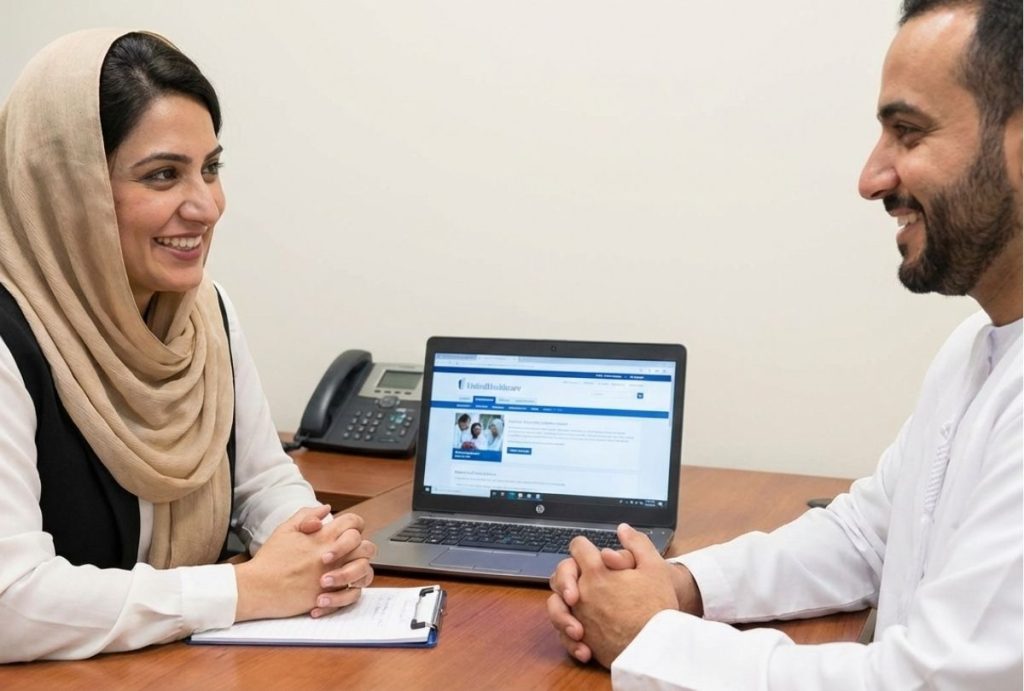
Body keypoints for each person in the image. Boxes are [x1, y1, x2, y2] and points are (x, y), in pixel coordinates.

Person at [547, 0, 1022, 688]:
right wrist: (678, 585)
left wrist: (651, 637)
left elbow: (925, 682)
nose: (872, 178)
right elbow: (866, 534)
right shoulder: (976, 348)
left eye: (908, 133)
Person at [0, 29, 376, 662]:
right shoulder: (10, 340)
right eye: (163, 175)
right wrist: (243, 589)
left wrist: (316, 546)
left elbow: (261, 479)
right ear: (69, 189)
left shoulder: (207, 314)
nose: (206, 206)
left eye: (211, 168)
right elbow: (11, 601)